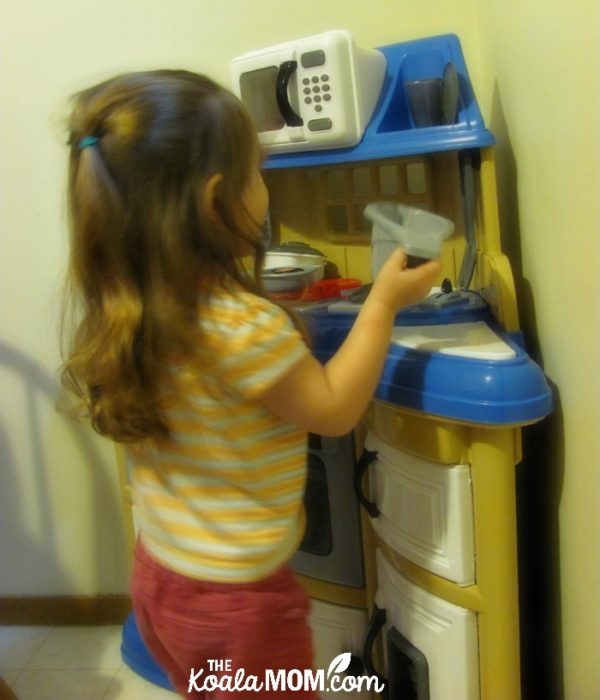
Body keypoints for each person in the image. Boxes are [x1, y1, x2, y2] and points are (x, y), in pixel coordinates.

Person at [61, 70, 441, 698]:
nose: (264, 185)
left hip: (159, 577)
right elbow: (334, 409)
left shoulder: (128, 309)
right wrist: (385, 304)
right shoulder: (244, 324)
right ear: (216, 201)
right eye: (257, 171)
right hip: (239, 606)